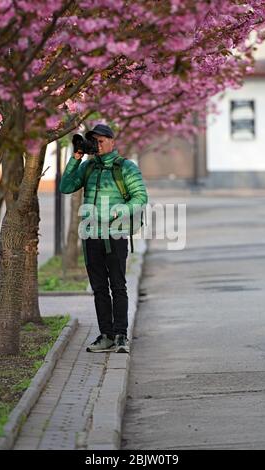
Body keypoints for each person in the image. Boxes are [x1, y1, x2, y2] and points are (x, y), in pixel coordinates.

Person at [59, 124, 148, 353]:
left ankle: (120, 335)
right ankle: (105, 335)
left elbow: (140, 197)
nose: (96, 145)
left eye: (100, 141)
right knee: (98, 288)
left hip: (115, 234)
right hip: (91, 235)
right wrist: (76, 157)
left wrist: (119, 210)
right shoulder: (88, 167)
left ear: (112, 141)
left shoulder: (125, 167)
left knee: (118, 286)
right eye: (93, 141)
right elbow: (66, 186)